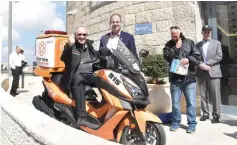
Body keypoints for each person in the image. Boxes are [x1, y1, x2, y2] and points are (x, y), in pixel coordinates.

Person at [163, 26, 201, 133]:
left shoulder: (190, 42)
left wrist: (188, 59)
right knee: (175, 103)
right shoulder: (169, 44)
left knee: (191, 103)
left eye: (176, 35)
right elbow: (166, 58)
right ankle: (176, 122)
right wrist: (176, 48)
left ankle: (192, 124)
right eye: (172, 36)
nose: (174, 37)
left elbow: (198, 57)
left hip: (189, 78)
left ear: (180, 33)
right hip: (175, 79)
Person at [60, 26, 99, 128]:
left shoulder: (89, 45)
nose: (82, 37)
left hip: (90, 75)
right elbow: (63, 58)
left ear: (87, 36)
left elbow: (96, 56)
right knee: (79, 81)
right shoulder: (71, 46)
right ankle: (81, 118)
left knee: (106, 81)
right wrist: (70, 45)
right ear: (75, 36)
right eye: (79, 35)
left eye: (84, 35)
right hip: (77, 75)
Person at [196, 25, 222, 123]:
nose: (206, 34)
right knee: (203, 95)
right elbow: (195, 57)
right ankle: (205, 113)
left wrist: (208, 63)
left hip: (213, 72)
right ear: (202, 33)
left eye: (208, 32)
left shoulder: (217, 43)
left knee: (215, 95)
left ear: (211, 33)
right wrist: (201, 64)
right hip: (201, 72)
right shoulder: (197, 45)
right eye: (205, 32)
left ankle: (216, 115)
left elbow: (219, 56)